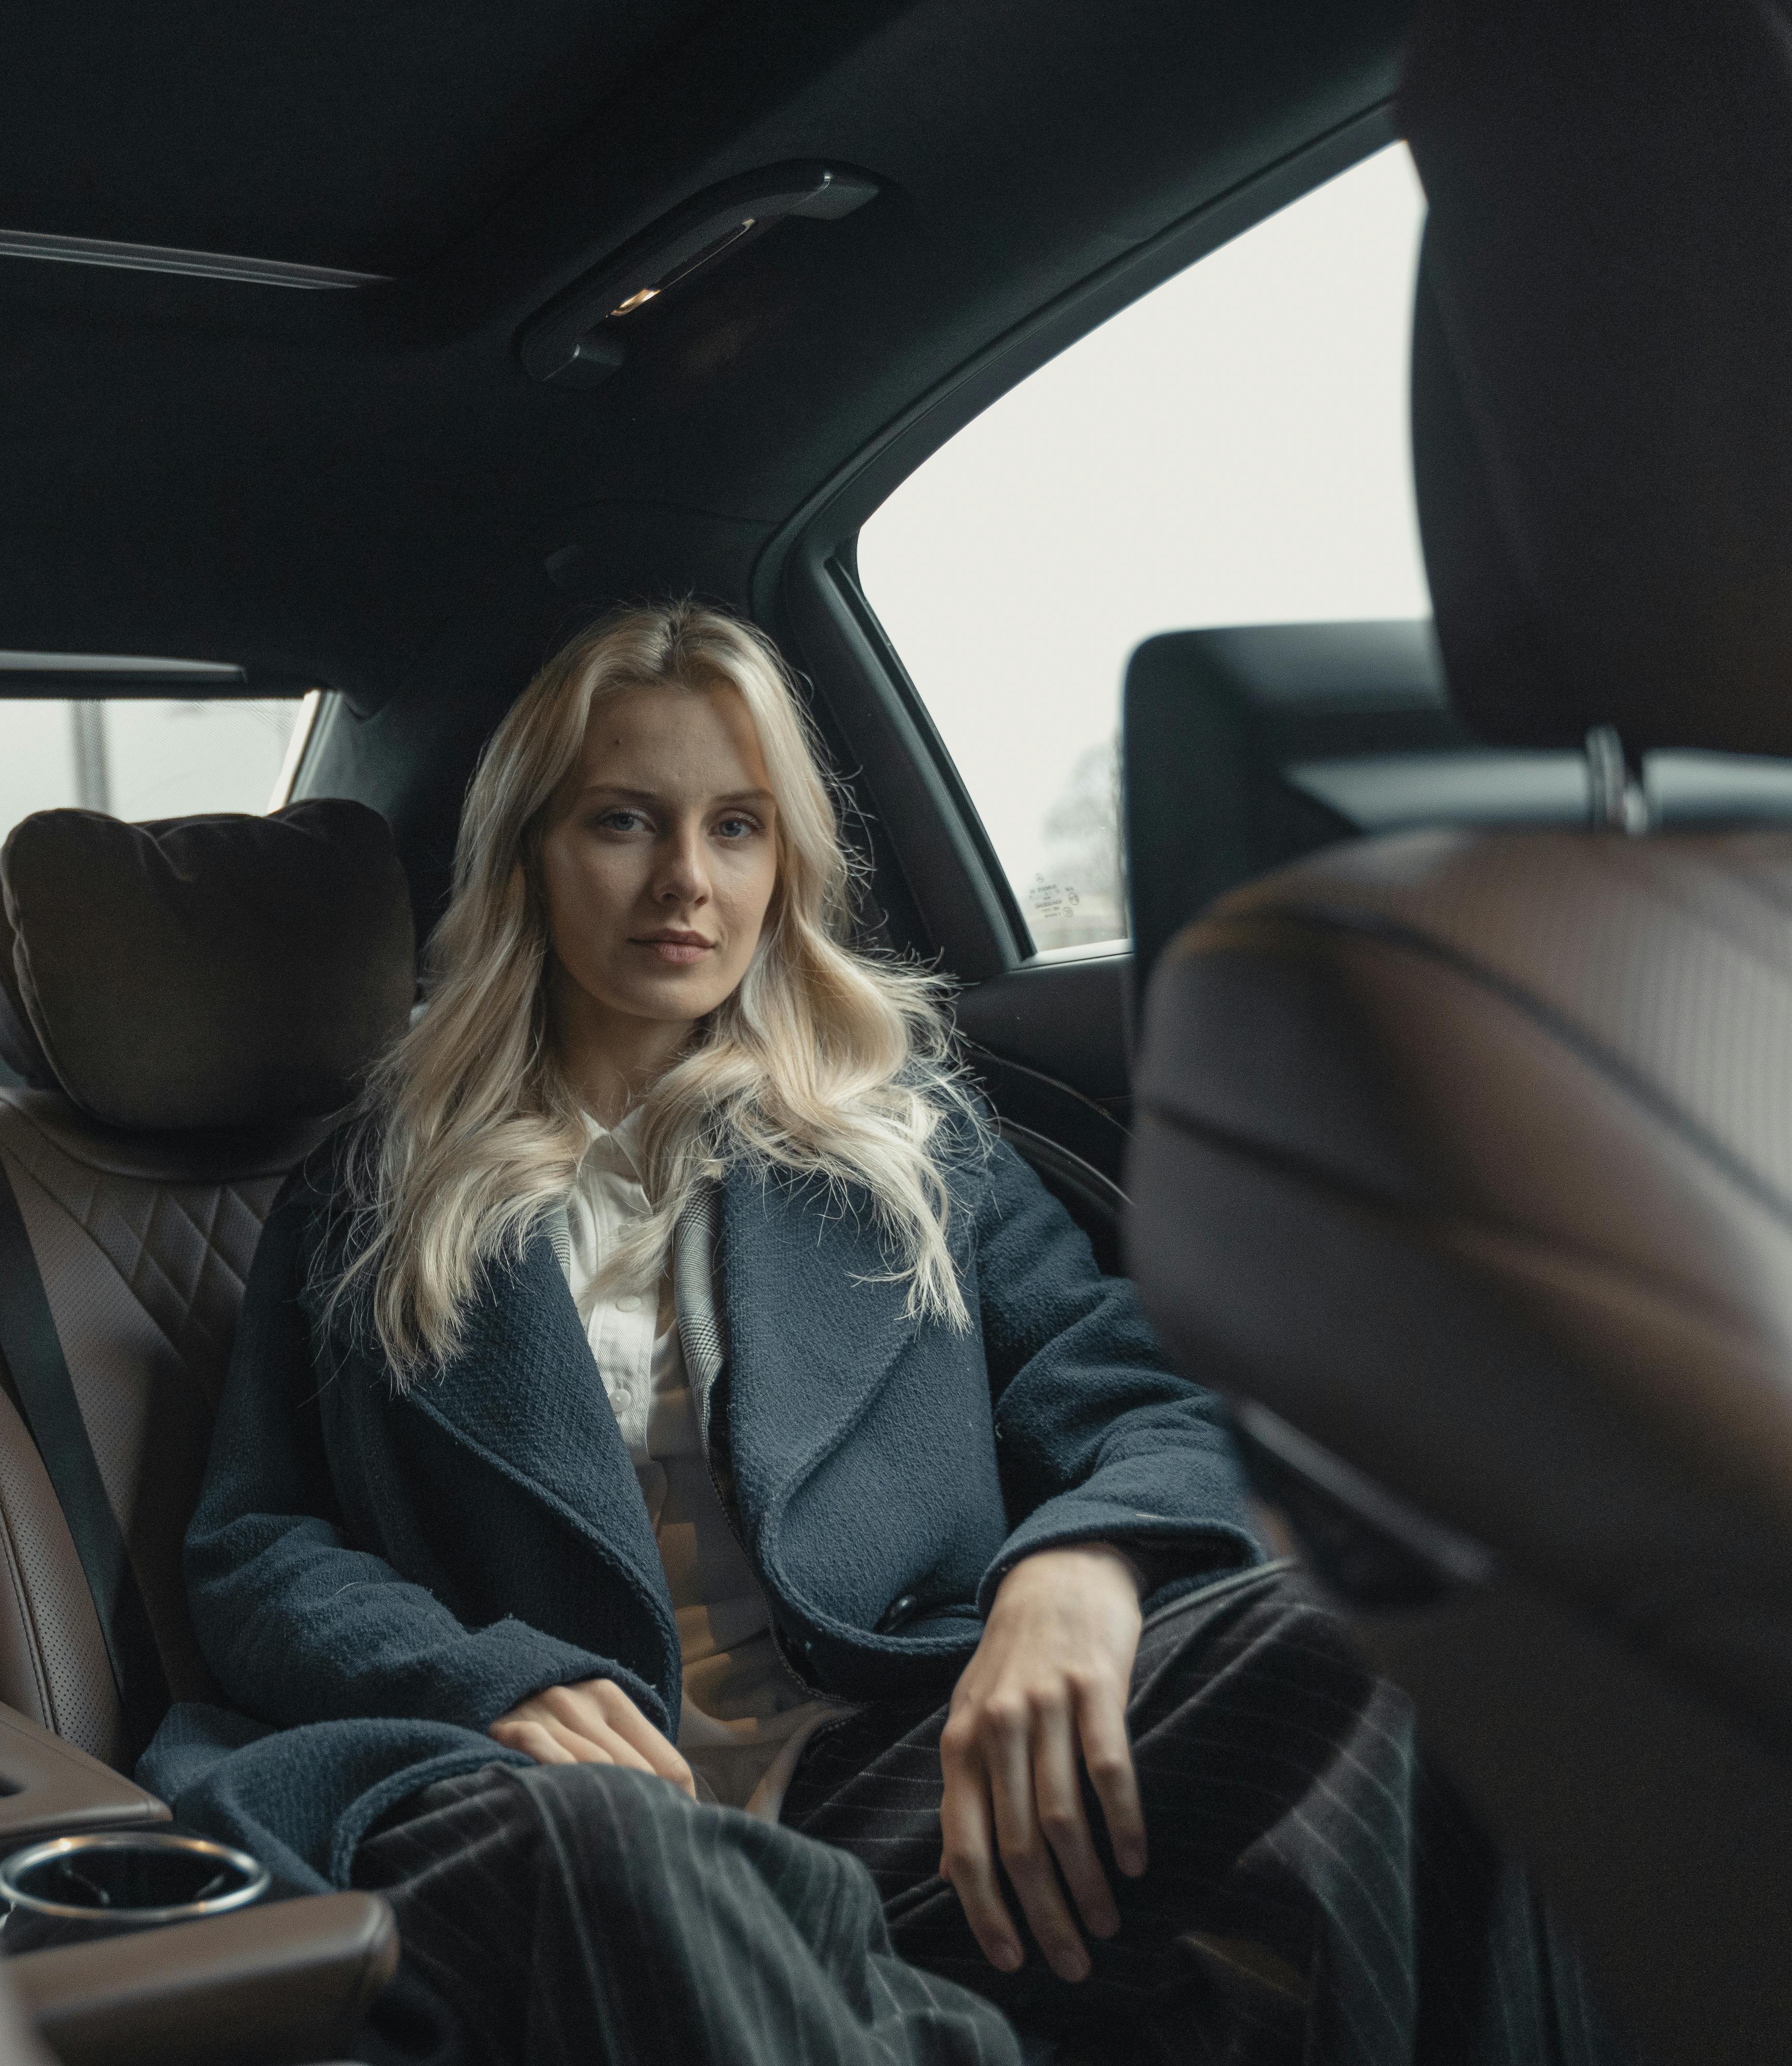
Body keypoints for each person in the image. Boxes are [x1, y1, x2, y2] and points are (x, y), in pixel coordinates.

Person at [136, 601, 1627, 2066]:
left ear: (786, 862)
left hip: (895, 1763)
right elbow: (258, 1543)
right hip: (553, 1788)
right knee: (620, 1864)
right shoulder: (380, 1179)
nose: (686, 884)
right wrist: (484, 1682)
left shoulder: (906, 1138)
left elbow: (1139, 1399)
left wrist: (1080, 1568)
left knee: (1404, 1641)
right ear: (530, 851)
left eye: (736, 828)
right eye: (622, 822)